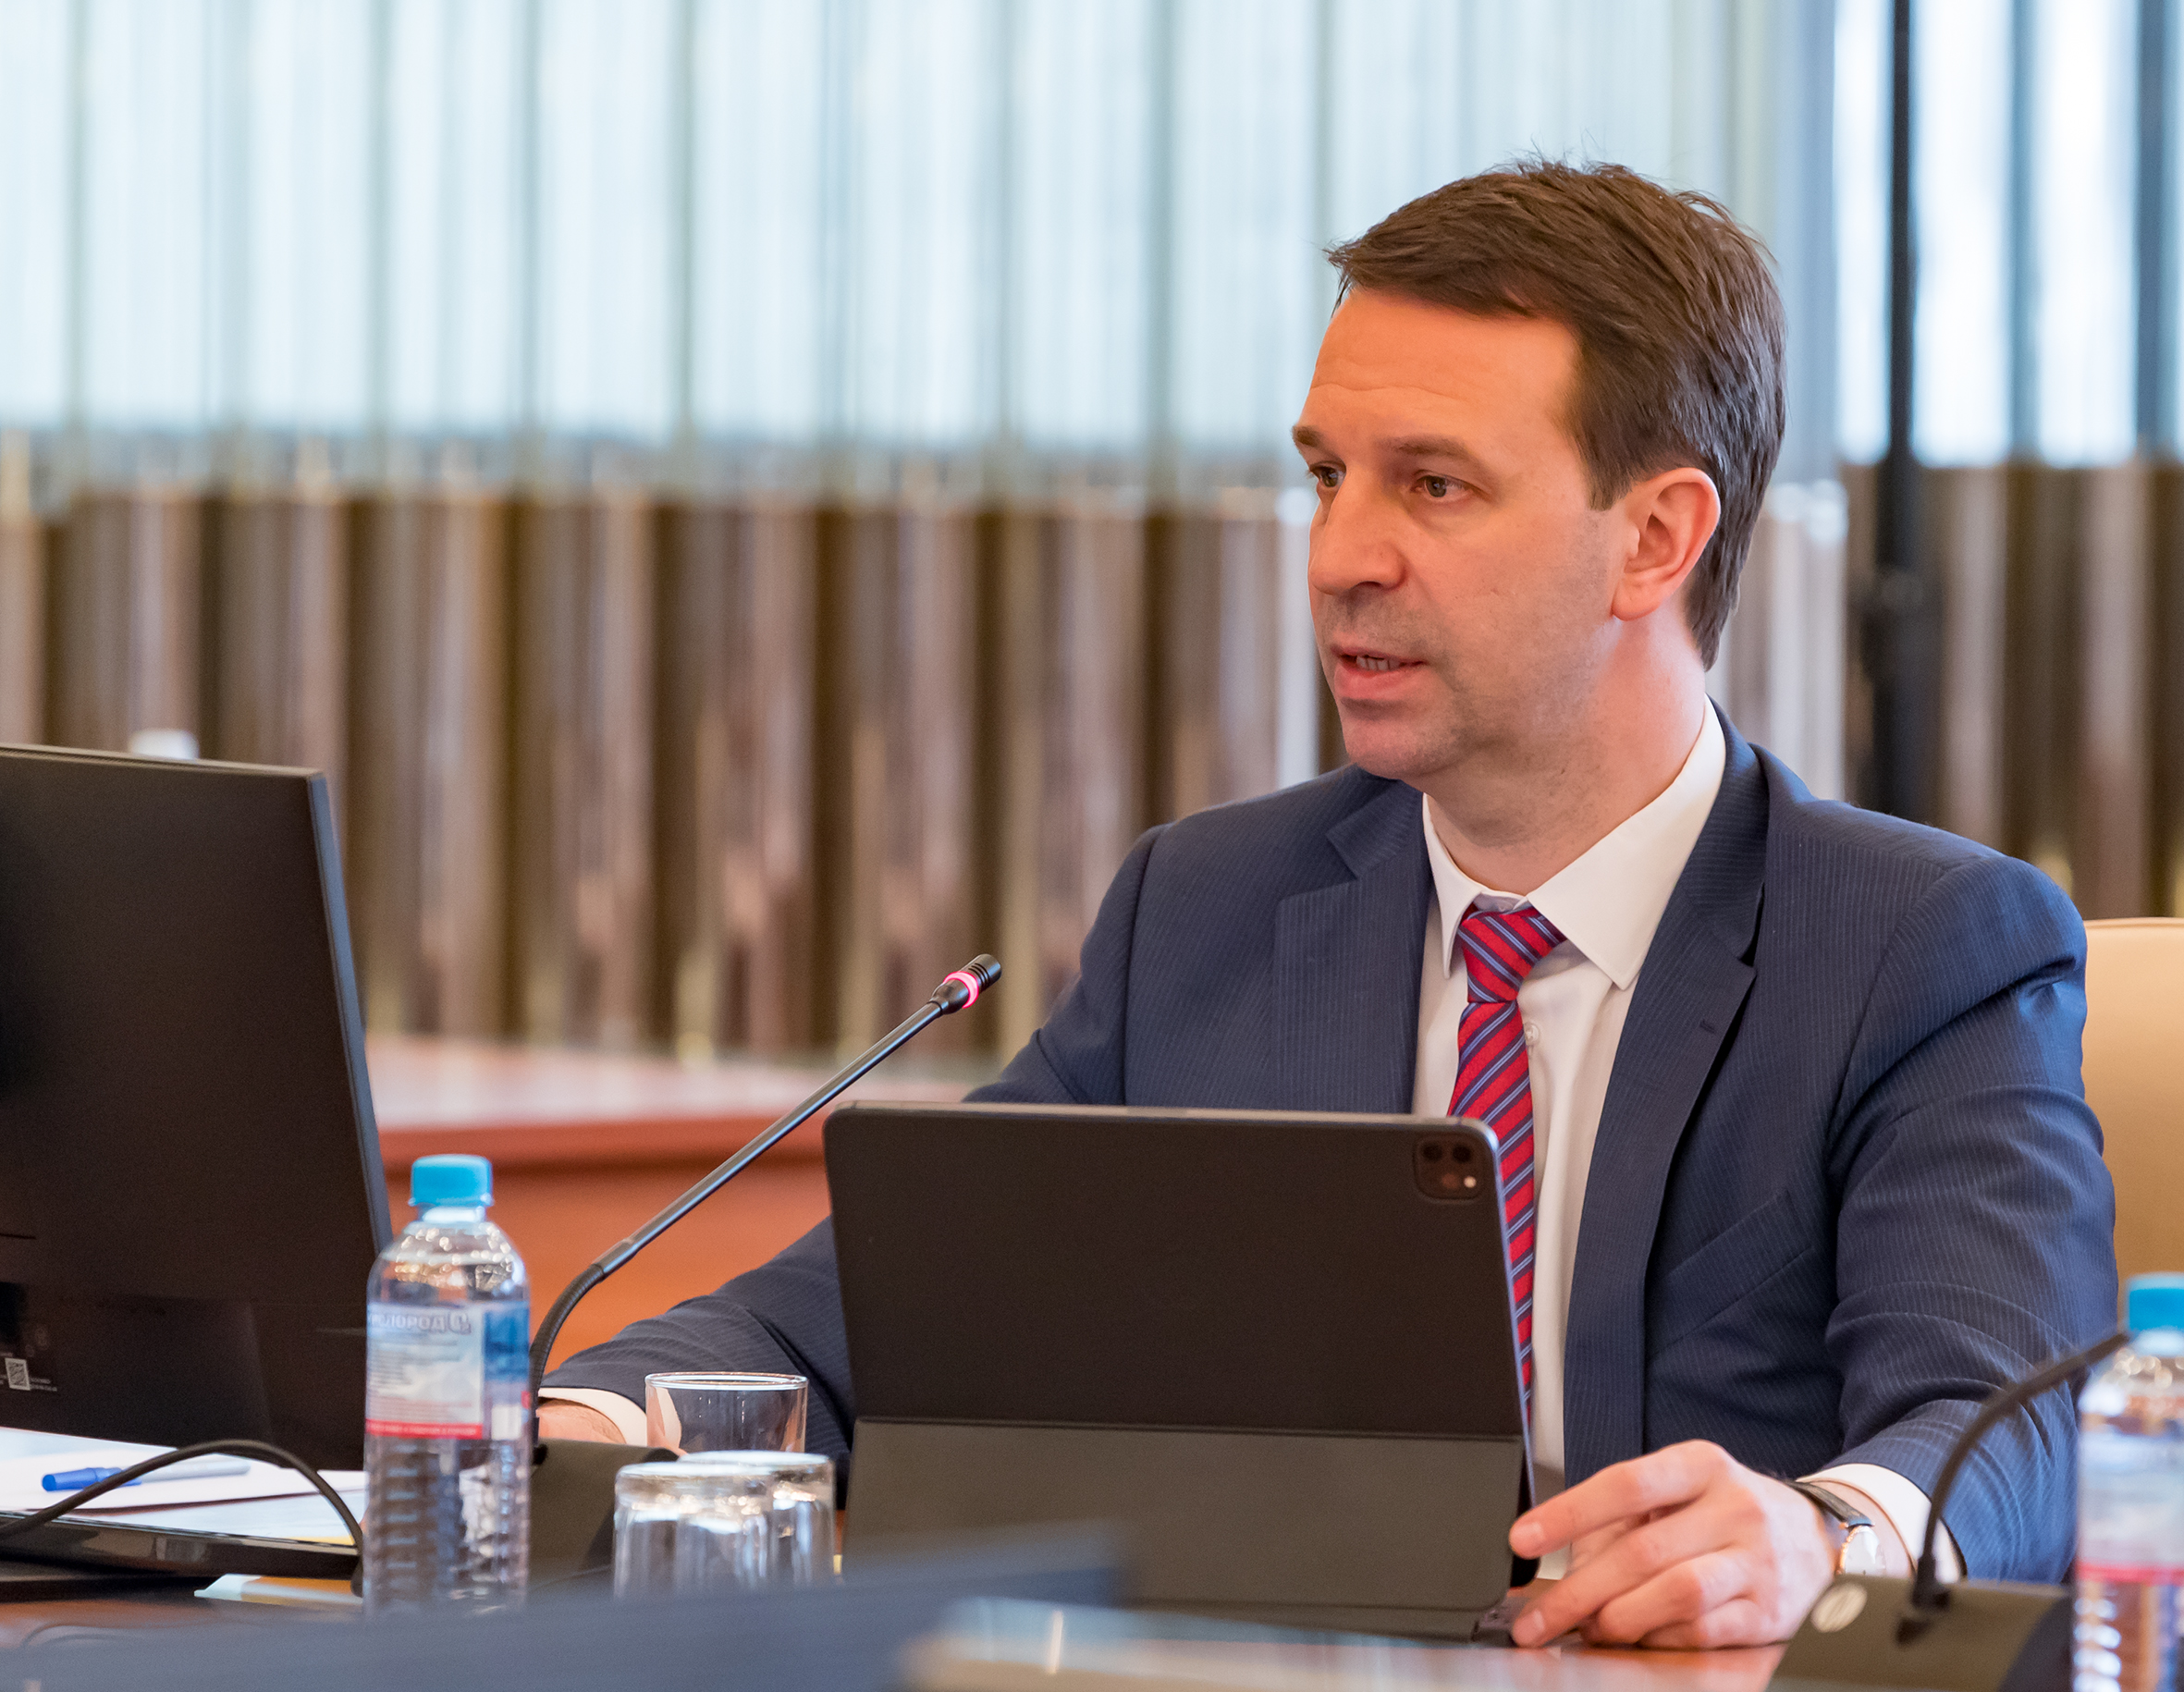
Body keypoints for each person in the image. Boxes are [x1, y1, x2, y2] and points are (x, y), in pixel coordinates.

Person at [538, 161, 2117, 1649]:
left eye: (1433, 485)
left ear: (1654, 538)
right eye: (1325, 475)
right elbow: (857, 1326)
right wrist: (568, 1422)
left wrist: (1820, 1535)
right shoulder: (1210, 909)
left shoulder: (1915, 946)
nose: (1340, 554)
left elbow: (2013, 1421)